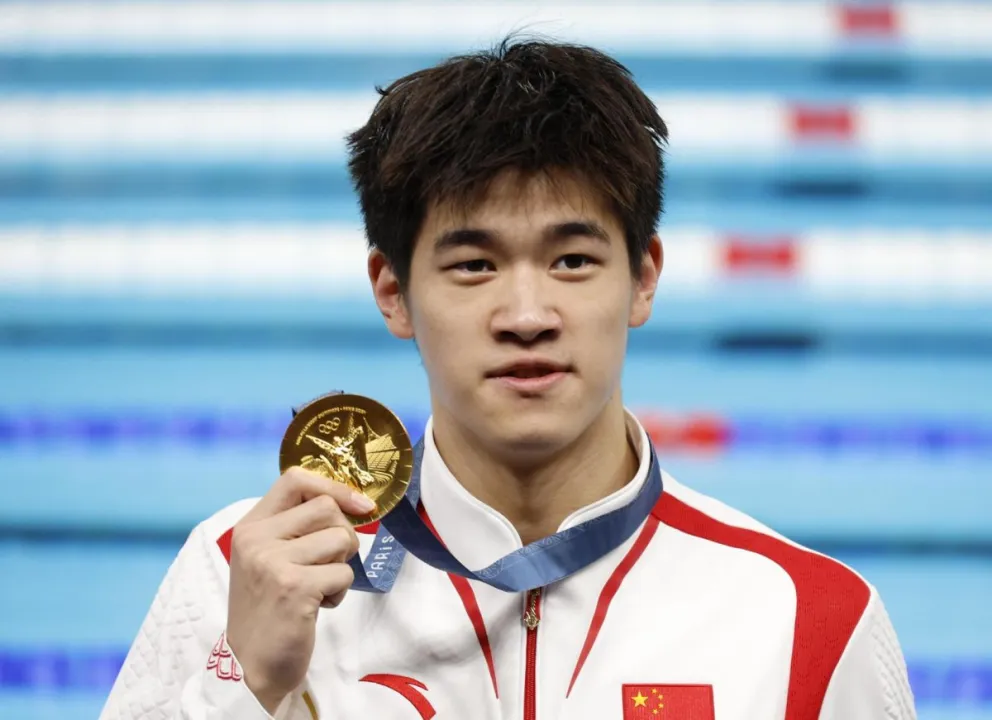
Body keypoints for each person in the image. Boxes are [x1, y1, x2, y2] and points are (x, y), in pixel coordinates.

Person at [100, 38, 917, 720]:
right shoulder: (241, 568)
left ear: (641, 279)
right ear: (393, 291)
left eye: (571, 259)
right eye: (474, 263)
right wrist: (244, 683)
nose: (526, 313)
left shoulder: (807, 617)